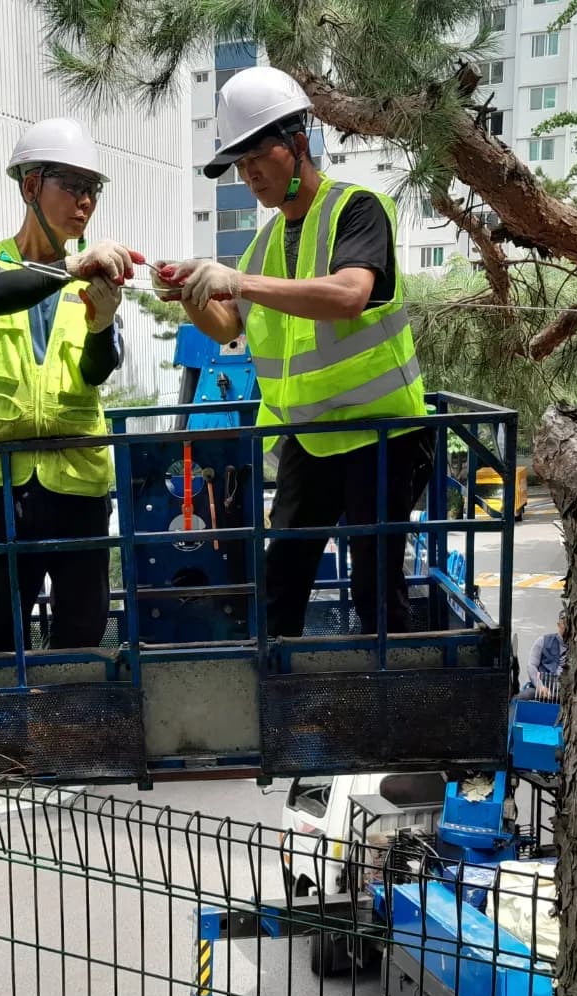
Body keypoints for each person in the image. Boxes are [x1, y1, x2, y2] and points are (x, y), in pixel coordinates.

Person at [154, 68, 432, 638]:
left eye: (257, 157)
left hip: (379, 437)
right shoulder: (261, 247)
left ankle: (391, 709)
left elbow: (350, 295)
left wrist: (239, 282)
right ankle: (280, 709)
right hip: (309, 438)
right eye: (239, 164)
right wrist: (188, 294)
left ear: (298, 145)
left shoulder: (357, 210)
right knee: (281, 581)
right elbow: (228, 323)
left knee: (377, 590)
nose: (248, 175)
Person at [0, 117, 142, 653]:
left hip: (78, 484)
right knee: (4, 640)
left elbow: (95, 372)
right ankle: (15, 737)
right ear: (31, 186)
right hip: (3, 489)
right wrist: (67, 267)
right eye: (72, 186)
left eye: (93, 190)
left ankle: (72, 736)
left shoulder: (93, 276)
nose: (85, 203)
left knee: (81, 637)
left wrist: (102, 325)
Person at [519, 608, 568, 701]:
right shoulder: (543, 641)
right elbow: (531, 666)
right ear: (559, 625)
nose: (568, 627)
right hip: (542, 688)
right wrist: (540, 686)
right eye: (565, 623)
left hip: (567, 694)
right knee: (523, 697)